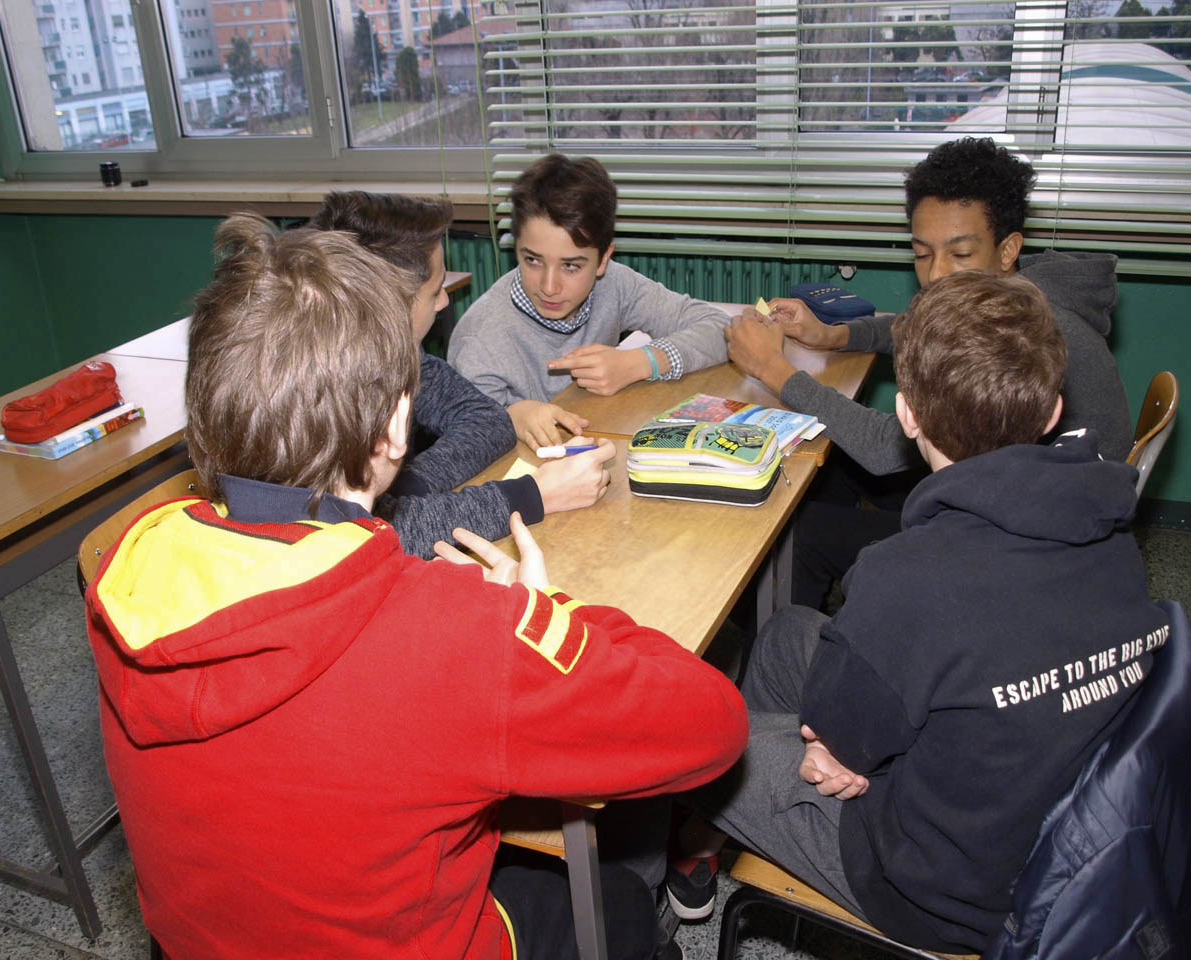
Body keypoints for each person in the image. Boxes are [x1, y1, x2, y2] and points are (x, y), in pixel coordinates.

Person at [85, 214, 749, 960]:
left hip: (198, 945)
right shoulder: (458, 633)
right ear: (396, 430)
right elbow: (714, 727)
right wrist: (542, 610)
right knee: (621, 903)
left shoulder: (133, 578)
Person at [665, 270, 1168, 954]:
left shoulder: (908, 574)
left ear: (907, 416)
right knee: (787, 636)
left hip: (941, 887)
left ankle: (670, 868)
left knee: (699, 736)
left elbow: (842, 745)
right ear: (1053, 413)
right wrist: (842, 743)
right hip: (1038, 820)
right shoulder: (1110, 532)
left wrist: (836, 752)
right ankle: (709, 838)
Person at [723, 137, 1133, 606]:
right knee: (828, 458)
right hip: (1016, 490)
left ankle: (808, 653)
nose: (937, 274)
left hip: (1028, 545)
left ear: (1007, 249)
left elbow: (883, 448)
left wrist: (772, 368)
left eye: (959, 255)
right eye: (922, 253)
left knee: (804, 530)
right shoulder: (1014, 296)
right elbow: (914, 325)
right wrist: (834, 336)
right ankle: (873, 601)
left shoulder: (1023, 330)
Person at [307, 190, 616, 559]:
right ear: (390, 301)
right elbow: (360, 540)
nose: (444, 301)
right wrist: (532, 495)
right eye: (436, 289)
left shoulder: (402, 359)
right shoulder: (311, 395)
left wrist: (396, 492)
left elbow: (489, 421)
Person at [448, 153, 731, 450]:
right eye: (532, 260)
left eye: (571, 266)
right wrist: (509, 419)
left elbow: (719, 327)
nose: (549, 286)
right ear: (516, 249)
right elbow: (466, 452)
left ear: (603, 260)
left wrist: (641, 362)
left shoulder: (614, 285)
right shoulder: (478, 342)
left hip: (600, 444)